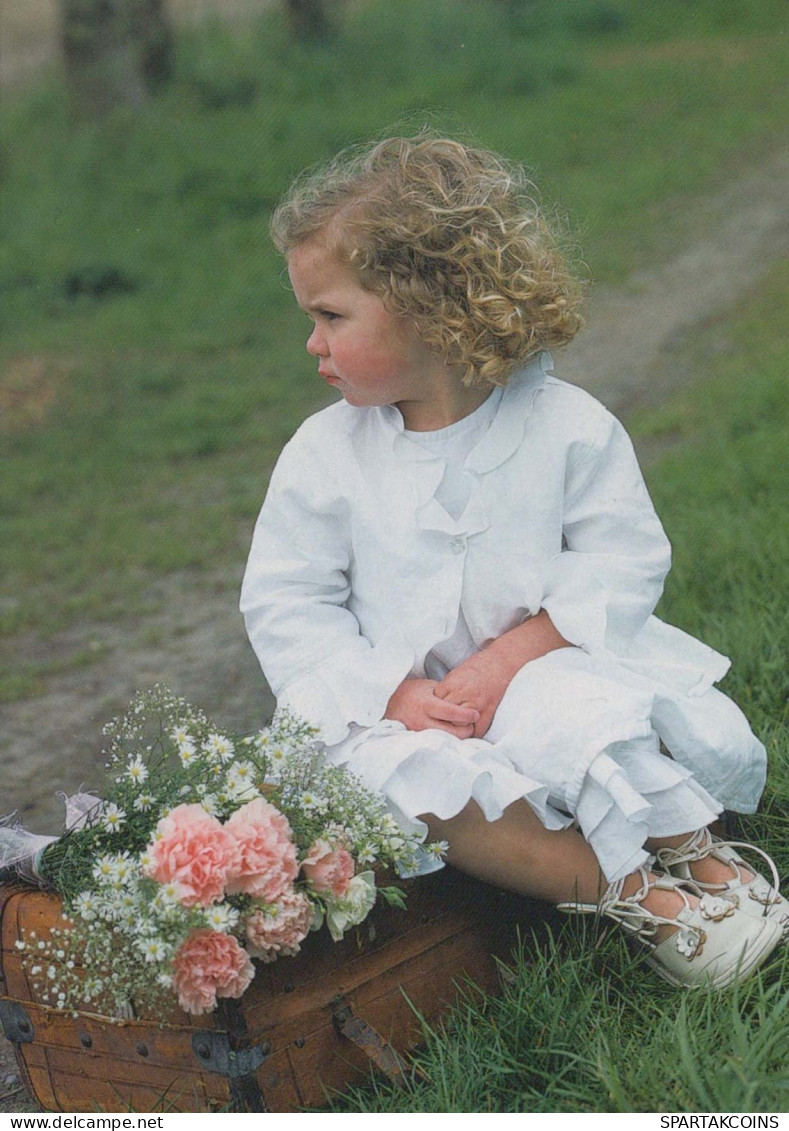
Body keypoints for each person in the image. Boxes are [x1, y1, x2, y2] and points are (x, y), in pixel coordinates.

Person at [241, 134, 788, 988]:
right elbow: (287, 603)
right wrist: (390, 693)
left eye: (331, 316)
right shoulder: (323, 456)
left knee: (579, 712)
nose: (312, 342)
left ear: (426, 304)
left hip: (537, 661)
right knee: (413, 784)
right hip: (400, 707)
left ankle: (705, 861)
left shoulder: (566, 426)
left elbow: (620, 558)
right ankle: (648, 901)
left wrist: (513, 655)